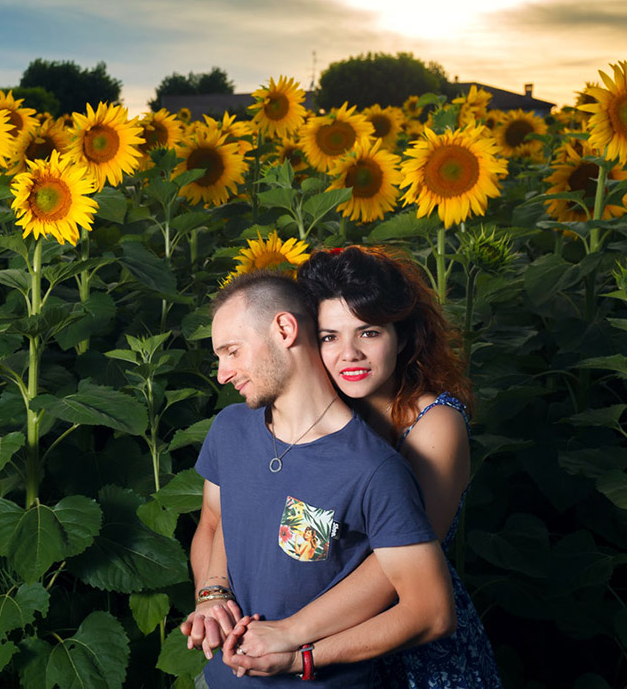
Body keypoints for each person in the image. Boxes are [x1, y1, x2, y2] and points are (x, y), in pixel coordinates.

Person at [188, 246, 502, 687]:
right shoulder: (297, 414)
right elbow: (237, 511)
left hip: (397, 641)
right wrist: (214, 593)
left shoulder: (434, 426)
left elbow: (390, 572)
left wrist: (291, 636)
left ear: (400, 336)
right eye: (330, 336)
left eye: (368, 333)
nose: (349, 353)